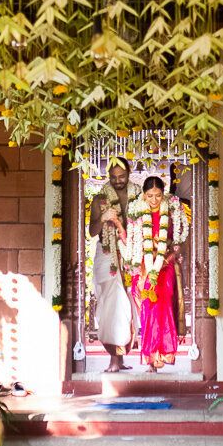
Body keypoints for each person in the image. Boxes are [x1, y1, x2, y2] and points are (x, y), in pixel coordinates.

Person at [125, 175, 191, 371]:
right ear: (143, 195)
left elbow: (179, 243)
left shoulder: (173, 211)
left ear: (164, 195)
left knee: (164, 308)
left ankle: (163, 353)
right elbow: (133, 243)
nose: (154, 200)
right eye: (149, 195)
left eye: (158, 195)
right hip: (144, 267)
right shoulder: (136, 212)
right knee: (148, 311)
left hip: (165, 265)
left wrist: (166, 259)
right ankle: (151, 359)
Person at [88, 157, 140, 372]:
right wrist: (103, 218)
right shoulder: (100, 199)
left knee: (128, 306)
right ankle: (113, 359)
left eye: (122, 177)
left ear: (129, 174)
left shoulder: (138, 195)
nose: (118, 181)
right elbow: (91, 231)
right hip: (108, 255)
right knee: (111, 306)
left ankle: (121, 357)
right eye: (113, 177)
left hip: (130, 254)